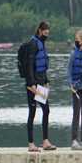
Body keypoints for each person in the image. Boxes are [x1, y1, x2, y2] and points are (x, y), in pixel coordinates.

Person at [25, 21, 57, 152]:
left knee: (46, 110)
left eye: (48, 32)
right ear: (39, 30)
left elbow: (42, 66)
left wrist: (46, 80)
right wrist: (31, 84)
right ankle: (31, 143)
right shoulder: (33, 44)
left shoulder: (42, 43)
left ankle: (45, 141)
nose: (46, 34)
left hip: (40, 83)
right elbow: (29, 65)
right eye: (45, 31)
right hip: (32, 85)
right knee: (32, 112)